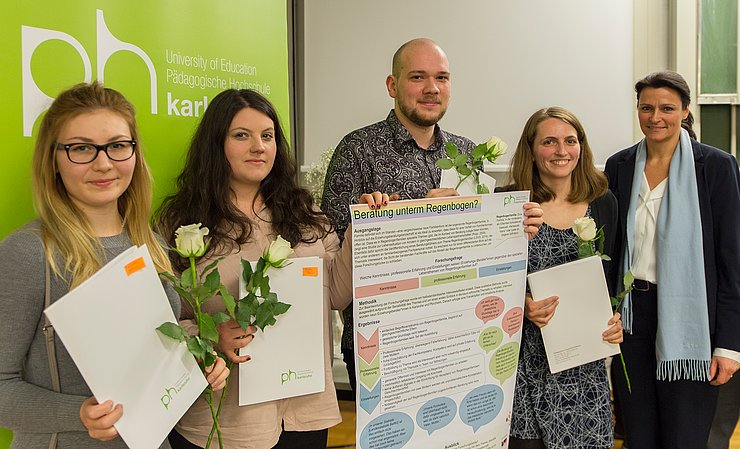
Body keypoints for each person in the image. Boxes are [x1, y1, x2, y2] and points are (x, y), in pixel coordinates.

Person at [0, 82, 228, 449]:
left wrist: (197, 359)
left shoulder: (148, 240)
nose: (103, 163)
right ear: (53, 160)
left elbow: (151, 351)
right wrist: (76, 414)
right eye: (81, 148)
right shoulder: (29, 253)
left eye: (118, 146)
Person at [322, 37, 543, 394]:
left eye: (441, 78)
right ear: (392, 85)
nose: (432, 89)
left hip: (459, 334)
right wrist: (421, 213)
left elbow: (482, 247)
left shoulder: (467, 152)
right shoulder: (357, 149)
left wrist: (516, 227)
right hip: (387, 344)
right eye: (418, 77)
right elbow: (331, 248)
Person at [157, 89, 369, 449]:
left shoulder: (306, 214)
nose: (259, 146)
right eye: (242, 135)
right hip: (226, 422)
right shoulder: (181, 224)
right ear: (215, 144)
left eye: (267, 136)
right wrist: (210, 336)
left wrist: (363, 228)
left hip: (304, 412)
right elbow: (162, 318)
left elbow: (335, 294)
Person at [605, 71, 740, 449]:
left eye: (666, 108)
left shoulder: (715, 166)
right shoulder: (619, 165)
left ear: (685, 111)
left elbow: (733, 261)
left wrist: (728, 346)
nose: (655, 117)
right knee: (639, 433)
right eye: (646, 107)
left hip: (692, 318)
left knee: (685, 436)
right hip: (631, 316)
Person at [502, 107, 623, 449]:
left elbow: (610, 281)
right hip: (524, 365)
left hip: (583, 368)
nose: (561, 151)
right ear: (531, 149)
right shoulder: (509, 203)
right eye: (549, 142)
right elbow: (489, 282)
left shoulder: (603, 203)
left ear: (581, 147)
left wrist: (614, 319)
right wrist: (522, 304)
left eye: (570, 141)